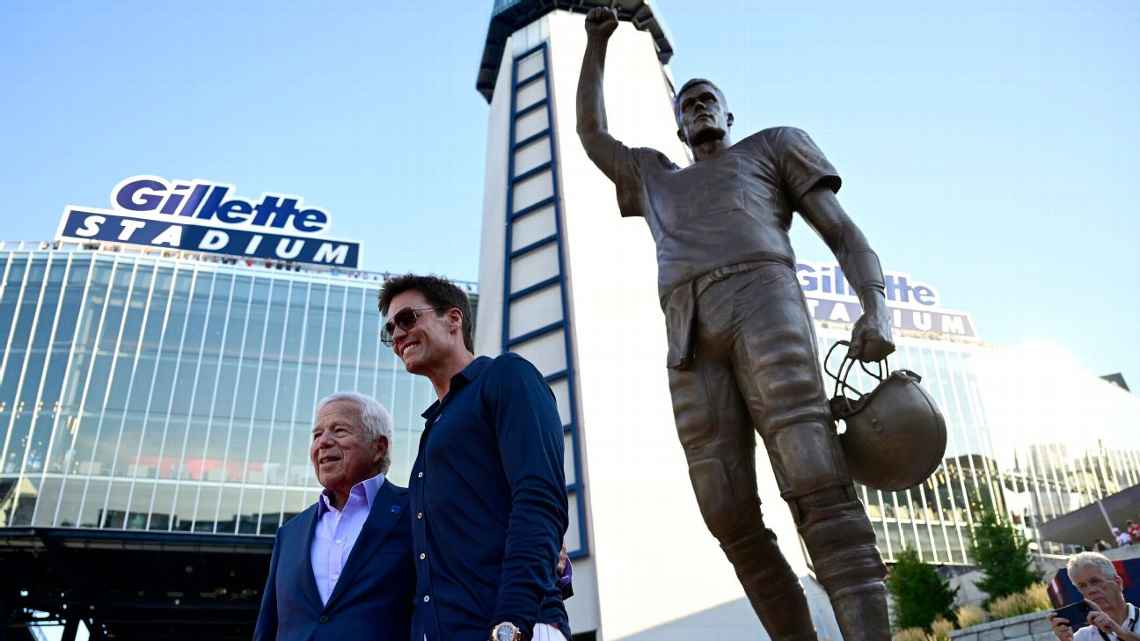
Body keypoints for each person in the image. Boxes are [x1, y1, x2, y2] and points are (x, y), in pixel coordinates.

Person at [575, 8, 895, 641]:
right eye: (687, 103)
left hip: (764, 302)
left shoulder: (772, 146)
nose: (696, 107)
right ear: (676, 122)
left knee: (815, 481)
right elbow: (591, 133)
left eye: (708, 99)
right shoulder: (652, 175)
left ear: (728, 115)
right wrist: (596, 46)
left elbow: (843, 233)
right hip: (687, 330)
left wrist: (875, 304)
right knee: (725, 509)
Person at [378, 274, 570, 641]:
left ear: (454, 319)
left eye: (407, 319)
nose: (397, 335)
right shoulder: (433, 427)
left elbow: (538, 498)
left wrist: (512, 621)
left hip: (512, 627)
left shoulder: (505, 376)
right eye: (389, 330)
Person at [253, 393, 414, 641]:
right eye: (317, 435)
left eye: (339, 431)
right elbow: (268, 625)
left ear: (378, 448)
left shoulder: (417, 512)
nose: (323, 443)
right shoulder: (290, 533)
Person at [1050, 551, 1139, 641]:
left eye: (1095, 581)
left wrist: (1120, 633)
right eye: (1082, 586)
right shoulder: (1081, 637)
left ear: (1118, 583)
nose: (1091, 590)